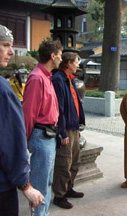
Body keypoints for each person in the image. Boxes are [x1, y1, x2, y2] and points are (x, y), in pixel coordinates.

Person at [0, 24, 44, 216]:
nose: (11, 52)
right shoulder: (3, 90)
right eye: (5, 45)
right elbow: (10, 142)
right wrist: (25, 184)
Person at [22, 40, 62, 216]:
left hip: (49, 135)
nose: (61, 58)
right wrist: (25, 141)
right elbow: (28, 113)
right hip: (41, 135)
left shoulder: (47, 77)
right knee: (39, 184)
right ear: (53, 56)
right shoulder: (37, 77)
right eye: (59, 55)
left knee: (47, 182)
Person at [52, 52, 85, 209]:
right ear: (68, 63)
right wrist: (62, 132)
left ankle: (68, 188)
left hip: (73, 127)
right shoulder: (58, 80)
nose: (78, 65)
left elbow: (74, 105)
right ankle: (59, 195)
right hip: (65, 128)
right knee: (64, 163)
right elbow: (59, 109)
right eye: (76, 62)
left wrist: (77, 126)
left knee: (75, 161)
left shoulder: (69, 80)